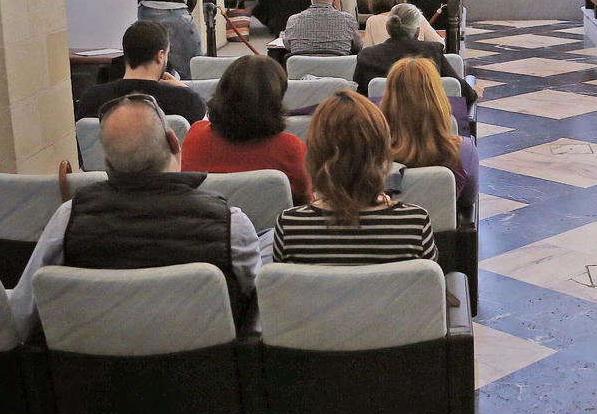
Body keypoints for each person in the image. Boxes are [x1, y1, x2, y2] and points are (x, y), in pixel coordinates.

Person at [10, 92, 264, 325]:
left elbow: (22, 312)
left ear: (107, 162)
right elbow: (259, 303)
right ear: (174, 142)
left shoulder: (68, 220)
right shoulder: (231, 226)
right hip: (207, 359)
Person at [271, 90, 439, 266]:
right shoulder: (415, 224)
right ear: (381, 152)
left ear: (315, 153)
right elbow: (430, 282)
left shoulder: (290, 228)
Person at [182, 55, 311, 204]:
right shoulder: (291, 149)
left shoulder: (195, 136)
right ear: (276, 99)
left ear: (222, 91)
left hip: (206, 218)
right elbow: (306, 202)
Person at [383, 57, 478, 207]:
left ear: (388, 100)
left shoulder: (371, 155)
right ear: (438, 99)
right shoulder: (463, 150)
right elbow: (467, 203)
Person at [76, 20, 208, 123]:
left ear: (126, 53)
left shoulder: (91, 97)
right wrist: (185, 89)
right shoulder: (185, 100)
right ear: (160, 56)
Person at [354, 3, 476, 103]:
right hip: (426, 123)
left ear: (388, 27)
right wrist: (474, 92)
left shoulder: (367, 57)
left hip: (380, 124)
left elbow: (357, 98)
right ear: (417, 32)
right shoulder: (431, 52)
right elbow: (460, 89)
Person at [283, 0, 361, 55]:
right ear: (336, 1)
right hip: (339, 63)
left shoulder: (293, 21)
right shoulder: (348, 20)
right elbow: (358, 47)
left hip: (301, 63)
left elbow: (288, 46)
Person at [363, 0, 442, 46]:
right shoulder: (415, 15)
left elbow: (366, 51)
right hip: (416, 57)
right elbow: (440, 44)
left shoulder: (372, 21)